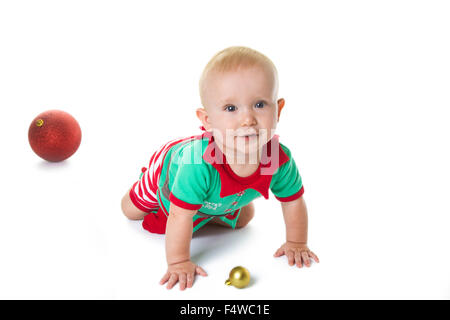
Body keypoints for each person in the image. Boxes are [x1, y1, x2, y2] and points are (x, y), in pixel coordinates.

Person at [121, 46, 319, 290]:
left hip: (215, 195)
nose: (247, 119)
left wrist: (296, 242)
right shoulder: (197, 164)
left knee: (245, 217)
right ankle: (171, 198)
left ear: (278, 110)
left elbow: (293, 201)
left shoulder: (276, 158)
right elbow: (179, 215)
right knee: (131, 210)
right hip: (168, 171)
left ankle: (207, 210)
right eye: (231, 108)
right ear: (207, 120)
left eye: (259, 104)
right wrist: (179, 261)